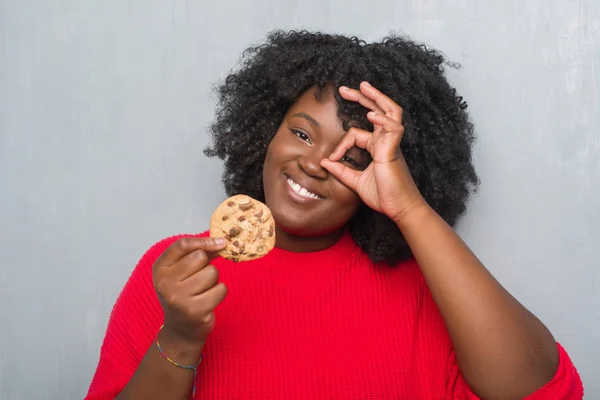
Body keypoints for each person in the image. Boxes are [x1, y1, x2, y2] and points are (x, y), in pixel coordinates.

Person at [85, 30, 583, 399]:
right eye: (300, 134)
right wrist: (179, 337)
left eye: (350, 157)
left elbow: (544, 390)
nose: (312, 163)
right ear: (264, 133)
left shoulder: (425, 291)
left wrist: (407, 205)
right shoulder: (179, 274)